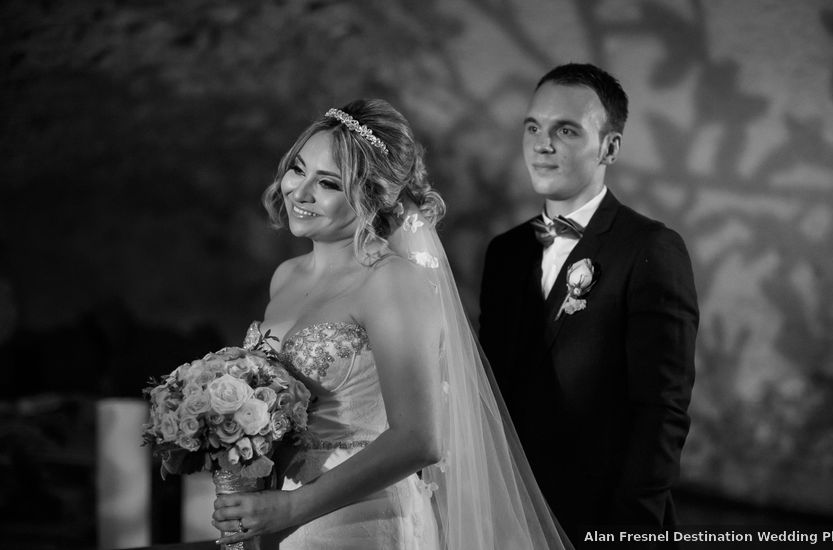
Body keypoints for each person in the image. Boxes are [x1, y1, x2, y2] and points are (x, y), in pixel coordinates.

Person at [211, 99, 572, 549]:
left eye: (327, 183)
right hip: (275, 511)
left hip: (359, 519)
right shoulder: (285, 277)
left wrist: (293, 506)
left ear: (372, 195)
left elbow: (420, 440)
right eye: (298, 169)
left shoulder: (393, 281)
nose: (299, 193)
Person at [479, 63, 699, 546]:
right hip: (510, 511)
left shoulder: (651, 249)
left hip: (605, 516)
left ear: (610, 147)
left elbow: (662, 409)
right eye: (533, 127)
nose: (542, 144)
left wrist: (629, 530)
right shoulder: (505, 253)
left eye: (566, 130)